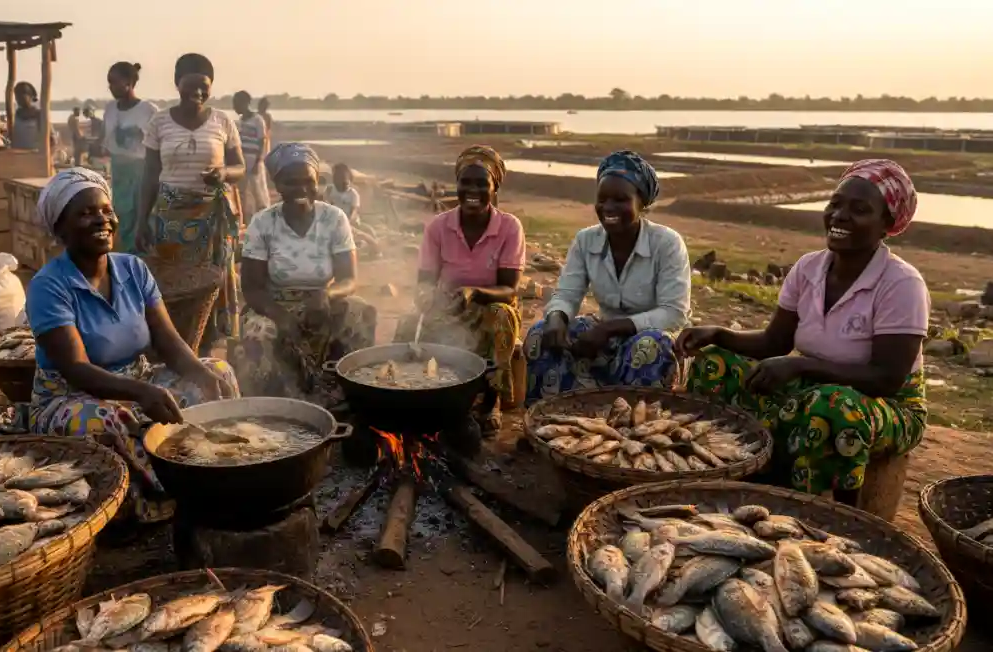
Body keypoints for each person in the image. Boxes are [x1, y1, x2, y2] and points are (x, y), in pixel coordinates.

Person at [678, 159, 929, 502]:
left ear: (887, 224)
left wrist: (799, 365)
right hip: (816, 388)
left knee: (833, 407)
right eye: (835, 204)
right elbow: (774, 342)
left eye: (859, 209)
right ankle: (720, 466)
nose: (839, 216)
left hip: (887, 404)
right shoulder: (809, 268)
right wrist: (719, 335)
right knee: (716, 364)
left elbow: (886, 378)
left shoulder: (901, 284)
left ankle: (828, 511)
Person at [26, 168, 239, 523]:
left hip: (135, 382)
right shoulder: (48, 286)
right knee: (102, 421)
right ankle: (149, 501)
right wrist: (142, 393)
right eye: (86, 213)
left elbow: (168, 342)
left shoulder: (133, 269)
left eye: (106, 210)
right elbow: (77, 369)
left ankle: (214, 469)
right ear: (60, 229)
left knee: (218, 372)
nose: (102, 220)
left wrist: (201, 374)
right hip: (70, 396)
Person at [524, 150, 691, 405]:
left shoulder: (667, 244)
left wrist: (610, 328)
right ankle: (553, 418)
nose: (608, 208)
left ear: (642, 203)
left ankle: (635, 428)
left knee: (650, 346)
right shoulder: (586, 240)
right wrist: (557, 318)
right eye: (602, 199)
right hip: (602, 339)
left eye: (620, 200)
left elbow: (674, 314)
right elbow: (567, 294)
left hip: (651, 340)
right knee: (540, 334)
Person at [230, 143, 376, 404]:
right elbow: (252, 288)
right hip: (273, 302)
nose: (301, 189)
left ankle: (349, 394)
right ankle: (270, 404)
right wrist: (279, 316)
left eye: (308, 181)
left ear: (317, 182)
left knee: (361, 312)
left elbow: (349, 279)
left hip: (322, 299)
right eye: (290, 182)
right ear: (277, 185)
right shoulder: (263, 223)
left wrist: (328, 294)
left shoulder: (334, 218)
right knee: (259, 333)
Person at [395, 146, 524, 435]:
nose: (473, 190)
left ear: (495, 187)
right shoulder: (438, 227)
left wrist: (474, 292)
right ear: (457, 185)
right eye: (466, 182)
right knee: (406, 326)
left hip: (491, 306)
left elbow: (509, 289)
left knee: (501, 316)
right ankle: (413, 391)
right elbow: (425, 282)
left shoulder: (509, 227)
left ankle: (491, 402)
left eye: (482, 183)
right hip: (449, 305)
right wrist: (426, 298)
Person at [138, 53, 246, 356]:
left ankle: (207, 349)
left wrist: (224, 172)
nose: (198, 91)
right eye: (191, 85)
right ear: (177, 84)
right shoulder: (159, 122)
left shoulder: (222, 120)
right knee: (172, 285)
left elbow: (240, 167)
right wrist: (140, 221)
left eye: (205, 86)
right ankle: (176, 348)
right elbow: (149, 176)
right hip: (171, 221)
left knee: (211, 284)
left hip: (212, 219)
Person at [103, 62, 157, 254]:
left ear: (129, 82)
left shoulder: (148, 110)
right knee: (122, 218)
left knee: (143, 216)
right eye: (109, 82)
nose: (110, 86)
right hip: (119, 172)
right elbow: (108, 143)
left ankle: (144, 264)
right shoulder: (110, 110)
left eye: (114, 82)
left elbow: (157, 146)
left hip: (142, 171)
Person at [322, 163, 379, 254]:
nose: (342, 184)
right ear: (334, 179)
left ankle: (376, 248)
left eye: (345, 182)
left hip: (350, 222)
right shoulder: (329, 190)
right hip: (333, 221)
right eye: (338, 180)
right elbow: (325, 206)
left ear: (350, 180)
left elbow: (354, 212)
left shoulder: (353, 194)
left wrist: (347, 222)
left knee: (361, 235)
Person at [232, 90, 270, 219]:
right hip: (243, 160)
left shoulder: (257, 120)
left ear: (246, 103)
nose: (235, 107)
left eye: (237, 104)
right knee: (243, 191)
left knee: (257, 190)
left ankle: (263, 217)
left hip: (254, 160)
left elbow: (262, 140)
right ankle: (246, 218)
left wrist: (258, 161)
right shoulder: (241, 121)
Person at [11, 82, 41, 150]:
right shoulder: (17, 114)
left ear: (30, 96)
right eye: (16, 96)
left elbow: (51, 139)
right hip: (17, 155)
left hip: (34, 155)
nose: (18, 99)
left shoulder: (39, 114)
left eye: (21, 96)